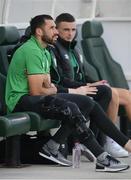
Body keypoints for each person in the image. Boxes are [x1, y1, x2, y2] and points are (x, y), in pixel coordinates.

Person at [5, 14, 131, 172]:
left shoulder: (45, 51)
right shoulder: (31, 51)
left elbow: (49, 85)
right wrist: (50, 88)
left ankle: (52, 147)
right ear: (38, 31)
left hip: (37, 97)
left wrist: (51, 88)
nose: (55, 31)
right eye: (51, 28)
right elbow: (37, 90)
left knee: (87, 102)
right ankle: (102, 157)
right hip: (20, 100)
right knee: (70, 107)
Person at [49, 13, 130, 157]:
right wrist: (86, 86)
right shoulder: (54, 50)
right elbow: (61, 79)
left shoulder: (73, 49)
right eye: (66, 30)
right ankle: (107, 141)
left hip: (81, 86)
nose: (70, 34)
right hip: (70, 90)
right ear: (57, 30)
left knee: (126, 95)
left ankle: (103, 140)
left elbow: (81, 73)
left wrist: (92, 83)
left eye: (73, 30)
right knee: (111, 94)